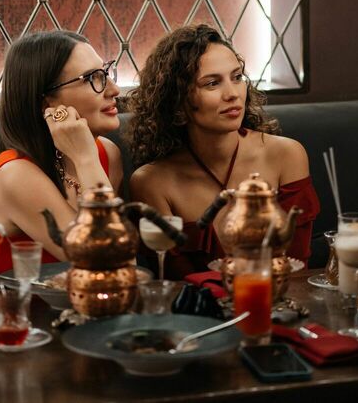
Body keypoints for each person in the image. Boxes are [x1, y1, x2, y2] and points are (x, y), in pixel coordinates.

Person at [128, 24, 319, 279]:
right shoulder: (152, 182)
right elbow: (174, 281)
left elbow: (294, 268)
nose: (232, 94)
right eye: (212, 83)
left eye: (237, 77)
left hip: (278, 299)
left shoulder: (286, 155)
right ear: (178, 103)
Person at [0, 30, 122, 272]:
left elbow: (120, 264)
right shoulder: (16, 175)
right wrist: (85, 159)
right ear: (47, 104)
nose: (114, 89)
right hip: (4, 296)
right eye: (91, 78)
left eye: (104, 72)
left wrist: (87, 158)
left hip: (78, 294)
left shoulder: (107, 153)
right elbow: (107, 262)